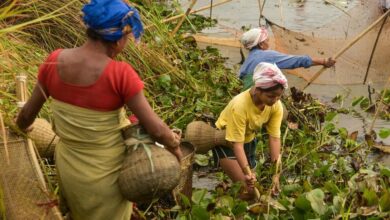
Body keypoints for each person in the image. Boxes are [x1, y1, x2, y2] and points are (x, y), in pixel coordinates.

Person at [16, 0, 182, 219]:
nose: (128, 42)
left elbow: (27, 116)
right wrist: (175, 147)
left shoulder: (54, 61)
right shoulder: (120, 74)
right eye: (128, 36)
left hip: (68, 170)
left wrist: (19, 129)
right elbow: (157, 130)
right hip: (106, 178)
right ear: (117, 39)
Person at [212, 62, 287, 199]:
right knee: (248, 191)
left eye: (278, 96)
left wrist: (276, 175)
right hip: (226, 142)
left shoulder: (276, 106)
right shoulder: (240, 105)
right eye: (271, 96)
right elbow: (237, 144)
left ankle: (235, 186)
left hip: (249, 140)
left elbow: (275, 138)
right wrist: (247, 172)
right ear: (258, 89)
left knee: (254, 184)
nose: (275, 100)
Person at [239, 27, 336, 90]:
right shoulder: (267, 56)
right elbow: (295, 61)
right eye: (267, 40)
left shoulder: (247, 62)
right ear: (261, 44)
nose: (269, 42)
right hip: (258, 95)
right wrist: (324, 61)